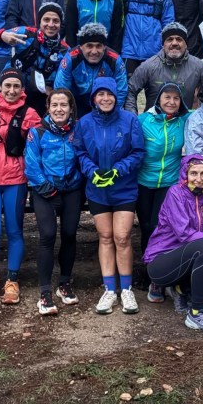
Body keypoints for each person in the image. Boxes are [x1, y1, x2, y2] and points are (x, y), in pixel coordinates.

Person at [73, 77, 145, 315]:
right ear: (94, 98)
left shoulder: (130, 120)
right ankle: (109, 290)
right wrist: (92, 171)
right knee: (105, 237)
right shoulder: (84, 123)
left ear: (116, 97)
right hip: (97, 189)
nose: (105, 99)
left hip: (123, 187)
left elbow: (137, 152)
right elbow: (80, 151)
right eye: (100, 95)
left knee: (122, 237)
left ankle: (126, 289)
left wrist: (118, 170)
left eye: (109, 95)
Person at [0, 67, 42, 304]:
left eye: (16, 86)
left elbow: (36, 143)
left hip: (15, 177)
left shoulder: (30, 113)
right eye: (7, 86)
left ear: (22, 89)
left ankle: (12, 279)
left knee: (14, 230)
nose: (11, 90)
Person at [143, 155, 203, 333]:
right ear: (185, 173)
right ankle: (197, 312)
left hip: (186, 258)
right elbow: (185, 235)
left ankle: (181, 288)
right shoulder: (175, 194)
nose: (199, 179)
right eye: (193, 173)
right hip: (161, 261)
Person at [25, 88, 86, 315]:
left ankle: (64, 282)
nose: (59, 109)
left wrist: (77, 182)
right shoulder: (37, 132)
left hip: (71, 190)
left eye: (64, 105)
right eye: (55, 105)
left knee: (70, 234)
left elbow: (84, 158)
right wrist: (45, 187)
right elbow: (32, 163)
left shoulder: (78, 130)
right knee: (47, 236)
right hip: (45, 192)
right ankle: (44, 292)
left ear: (71, 108)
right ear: (48, 108)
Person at [137, 82, 191, 302]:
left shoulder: (184, 120)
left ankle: (161, 278)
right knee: (146, 227)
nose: (171, 102)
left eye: (176, 98)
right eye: (167, 97)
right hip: (143, 181)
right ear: (158, 99)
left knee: (162, 228)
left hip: (169, 183)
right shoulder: (143, 121)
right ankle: (150, 271)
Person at [0, 1, 70, 116]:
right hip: (13, 86)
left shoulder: (65, 50)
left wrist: (54, 91)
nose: (51, 24)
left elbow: (63, 80)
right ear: (39, 21)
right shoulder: (25, 33)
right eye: (46, 20)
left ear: (60, 24)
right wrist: (2, 35)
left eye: (56, 21)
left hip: (40, 94)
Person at [125, 22, 203, 114]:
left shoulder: (199, 66)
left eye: (179, 39)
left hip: (185, 123)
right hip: (154, 123)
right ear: (163, 44)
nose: (174, 43)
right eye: (169, 39)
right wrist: (132, 117)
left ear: (186, 44)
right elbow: (130, 90)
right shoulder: (148, 66)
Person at [53, 23, 127, 117]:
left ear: (104, 47)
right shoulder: (71, 58)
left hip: (104, 100)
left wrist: (111, 115)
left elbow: (121, 91)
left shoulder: (115, 60)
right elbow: (60, 90)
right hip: (78, 101)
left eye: (99, 46)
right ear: (81, 47)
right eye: (89, 46)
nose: (94, 51)